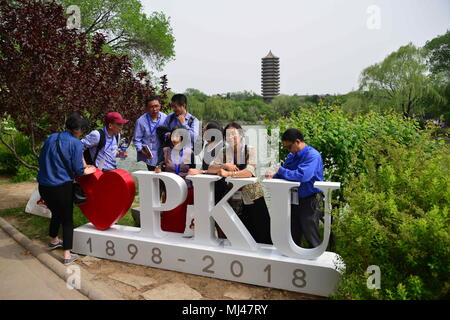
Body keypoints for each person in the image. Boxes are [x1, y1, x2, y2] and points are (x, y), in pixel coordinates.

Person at [37, 113, 96, 265]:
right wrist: (88, 170)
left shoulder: (51, 137)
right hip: (61, 187)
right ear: (80, 129)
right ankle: (67, 255)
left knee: (56, 212)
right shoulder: (75, 143)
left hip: (43, 186)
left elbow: (42, 158)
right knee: (67, 219)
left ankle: (54, 240)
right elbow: (78, 170)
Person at [208, 122, 272, 245]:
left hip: (252, 196)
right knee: (239, 230)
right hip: (234, 196)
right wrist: (224, 165)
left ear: (241, 134)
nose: (230, 137)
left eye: (233, 134)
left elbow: (249, 172)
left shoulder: (250, 150)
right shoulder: (224, 151)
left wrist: (228, 174)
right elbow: (211, 169)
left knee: (260, 229)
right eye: (227, 135)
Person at [265, 128, 324, 248]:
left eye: (289, 147)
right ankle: (296, 260)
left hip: (310, 199)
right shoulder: (292, 156)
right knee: (293, 233)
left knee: (310, 233)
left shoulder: (313, 155)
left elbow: (302, 176)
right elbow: (284, 174)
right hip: (294, 199)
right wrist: (273, 176)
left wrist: (280, 170)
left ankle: (316, 262)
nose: (289, 151)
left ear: (297, 142)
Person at [155, 126, 196, 233]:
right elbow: (159, 164)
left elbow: (194, 170)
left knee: (185, 220)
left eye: (177, 136)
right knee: (169, 218)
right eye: (172, 135)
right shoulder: (165, 151)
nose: (174, 138)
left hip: (187, 189)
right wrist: (158, 168)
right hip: (171, 189)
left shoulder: (189, 153)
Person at [133, 96, 167, 171]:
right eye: (151, 107)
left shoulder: (165, 118)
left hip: (163, 155)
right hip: (149, 156)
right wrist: (142, 152)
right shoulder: (141, 121)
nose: (154, 109)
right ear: (146, 108)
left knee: (163, 180)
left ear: (160, 106)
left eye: (156, 106)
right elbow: (136, 140)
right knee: (152, 179)